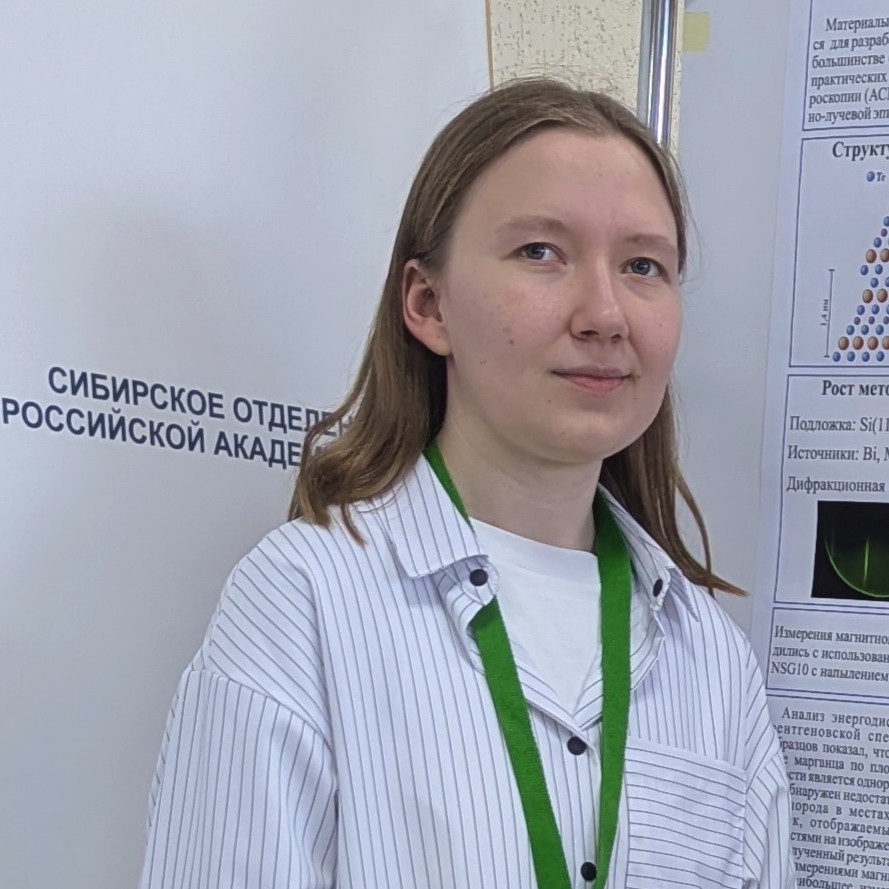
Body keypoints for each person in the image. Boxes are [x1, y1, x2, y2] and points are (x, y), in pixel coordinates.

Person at [139, 78, 795, 889]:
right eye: (540, 252)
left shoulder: (712, 660)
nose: (604, 313)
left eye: (641, 265)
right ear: (428, 303)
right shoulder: (303, 600)